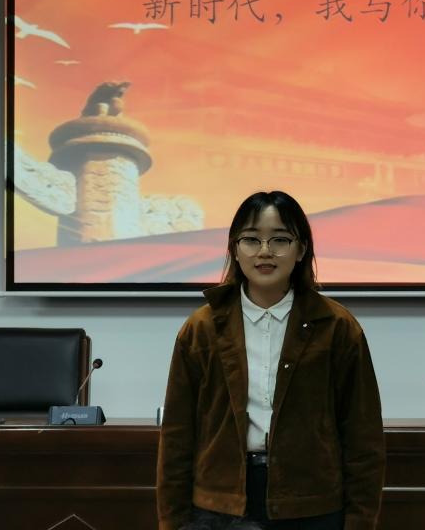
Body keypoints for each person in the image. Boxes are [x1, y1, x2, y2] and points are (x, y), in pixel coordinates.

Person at [157, 190, 386, 530]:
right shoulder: (202, 328)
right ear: (235, 249)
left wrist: (360, 521)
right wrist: (172, 522)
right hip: (221, 505)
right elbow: (177, 435)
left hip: (311, 505)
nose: (265, 251)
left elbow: (363, 437)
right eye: (251, 240)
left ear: (301, 250)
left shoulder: (336, 327)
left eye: (280, 240)